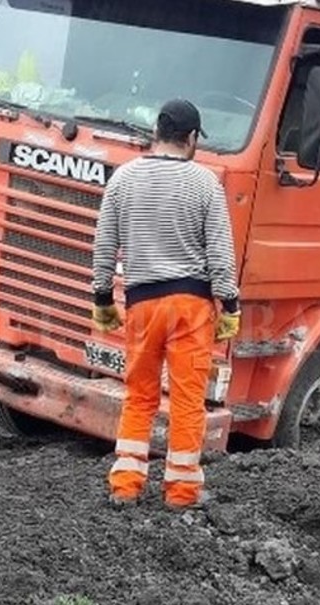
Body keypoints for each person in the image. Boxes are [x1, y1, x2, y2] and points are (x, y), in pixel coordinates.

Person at [90, 99, 240, 510]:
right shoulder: (206, 183)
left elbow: (104, 244)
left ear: (156, 132)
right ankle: (181, 492)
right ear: (192, 138)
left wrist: (102, 296)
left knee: (139, 395)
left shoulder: (124, 179)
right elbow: (220, 253)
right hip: (191, 305)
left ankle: (125, 484)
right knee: (188, 401)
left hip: (141, 303)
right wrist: (230, 304)